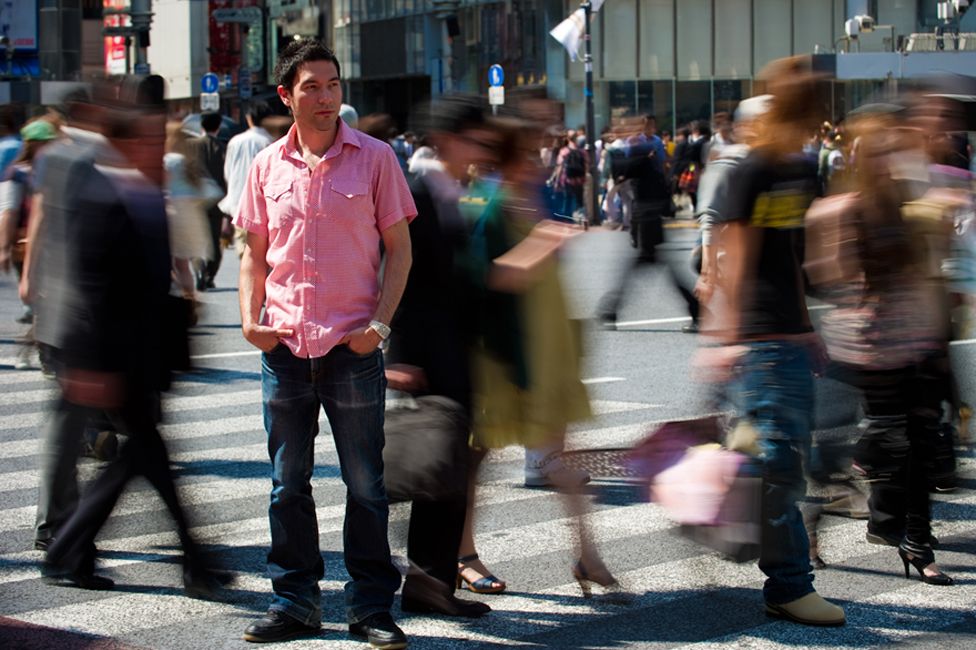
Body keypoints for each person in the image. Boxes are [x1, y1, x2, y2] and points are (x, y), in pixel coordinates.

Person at [235, 39, 415, 647]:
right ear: (287, 96)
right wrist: (248, 319)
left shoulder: (375, 158)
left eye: (333, 84)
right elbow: (252, 256)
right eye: (311, 86)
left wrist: (380, 327)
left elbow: (401, 251)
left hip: (351, 348)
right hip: (284, 347)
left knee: (366, 486)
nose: (325, 96)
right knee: (289, 484)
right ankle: (295, 602)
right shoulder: (265, 166)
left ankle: (370, 609)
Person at [39, 75, 223, 599]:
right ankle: (193, 561)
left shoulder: (146, 194)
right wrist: (89, 364)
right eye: (142, 140)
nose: (152, 149)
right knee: (146, 457)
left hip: (142, 356)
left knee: (144, 458)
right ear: (119, 145)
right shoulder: (99, 194)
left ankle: (73, 550)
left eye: (155, 140)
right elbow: (86, 284)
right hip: (111, 359)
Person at [699, 56, 845, 626]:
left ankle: (770, 556)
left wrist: (808, 325)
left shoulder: (800, 169)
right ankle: (788, 585)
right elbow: (736, 256)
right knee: (781, 463)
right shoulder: (751, 169)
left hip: (788, 335)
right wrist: (725, 337)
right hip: (758, 339)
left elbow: (791, 257)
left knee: (783, 457)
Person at [805, 108, 955, 587]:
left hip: (911, 340)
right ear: (858, 155)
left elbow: (927, 272)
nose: (888, 160)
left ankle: (916, 543)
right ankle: (812, 527)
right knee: (851, 450)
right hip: (861, 344)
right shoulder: (839, 209)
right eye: (878, 151)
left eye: (893, 150)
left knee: (917, 446)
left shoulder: (911, 202)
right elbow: (826, 275)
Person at [385, 95, 494, 619]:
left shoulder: (454, 190)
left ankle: (432, 584)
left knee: (449, 475)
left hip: (457, 354)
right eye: (476, 137)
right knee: (438, 472)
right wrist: (399, 353)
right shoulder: (417, 193)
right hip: (428, 356)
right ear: (450, 139)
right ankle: (423, 583)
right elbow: (399, 277)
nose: (484, 146)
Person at [219, 100, 273, 257]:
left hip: (239, 201)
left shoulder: (235, 141)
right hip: (264, 205)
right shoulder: (270, 142)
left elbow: (228, 171)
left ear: (249, 118)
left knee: (245, 251)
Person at [189, 111, 228, 290]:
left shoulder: (190, 146)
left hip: (194, 200)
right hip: (217, 201)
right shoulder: (222, 147)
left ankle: (198, 267)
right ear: (218, 127)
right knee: (214, 240)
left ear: (201, 126)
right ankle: (209, 274)